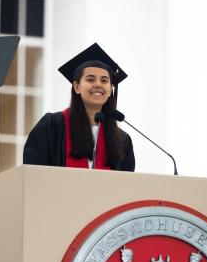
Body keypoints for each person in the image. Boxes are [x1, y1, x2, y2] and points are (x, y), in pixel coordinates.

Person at [23, 43, 135, 171]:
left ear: (110, 90)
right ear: (76, 87)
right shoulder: (52, 126)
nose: (98, 84)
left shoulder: (121, 141)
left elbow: (126, 186)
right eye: (90, 79)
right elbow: (32, 173)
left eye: (104, 81)